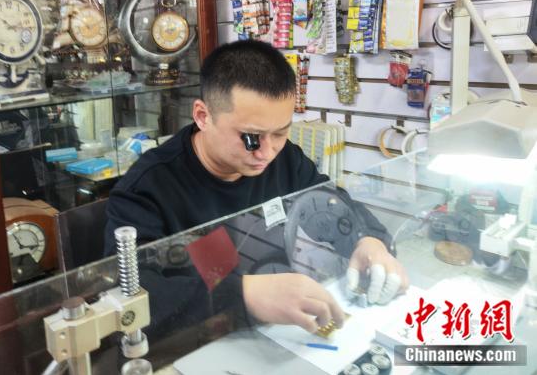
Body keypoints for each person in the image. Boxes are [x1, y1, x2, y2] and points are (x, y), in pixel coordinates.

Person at [104, 40, 407, 335]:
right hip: (196, 339)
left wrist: (368, 240)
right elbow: (129, 296)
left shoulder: (284, 159)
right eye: (251, 138)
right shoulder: (145, 189)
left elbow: (330, 203)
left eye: (281, 133)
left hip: (273, 332)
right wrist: (245, 294)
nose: (266, 153)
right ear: (203, 116)